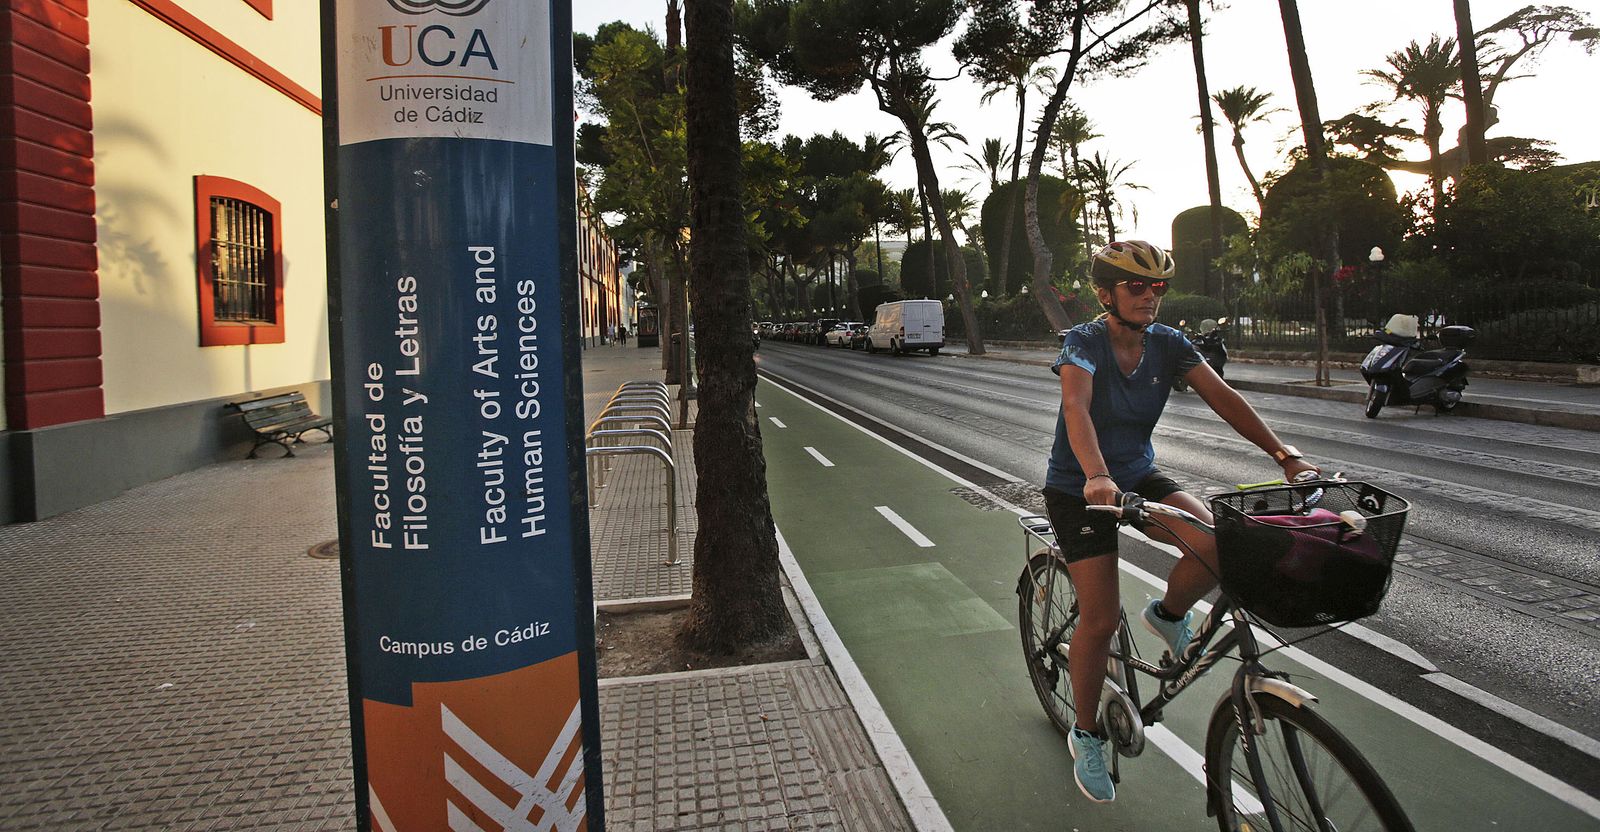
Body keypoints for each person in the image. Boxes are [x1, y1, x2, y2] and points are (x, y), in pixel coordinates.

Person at [1043, 241, 1318, 804]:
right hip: (1081, 489)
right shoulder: (1084, 342)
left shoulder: (1169, 344)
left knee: (1215, 545)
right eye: (1136, 287)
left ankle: (1167, 615)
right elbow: (1077, 407)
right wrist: (1096, 475)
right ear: (1106, 294)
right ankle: (1087, 730)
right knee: (1098, 619)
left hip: (1139, 476)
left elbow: (1225, 397)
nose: (1150, 297)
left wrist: (1284, 456)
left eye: (1158, 287)